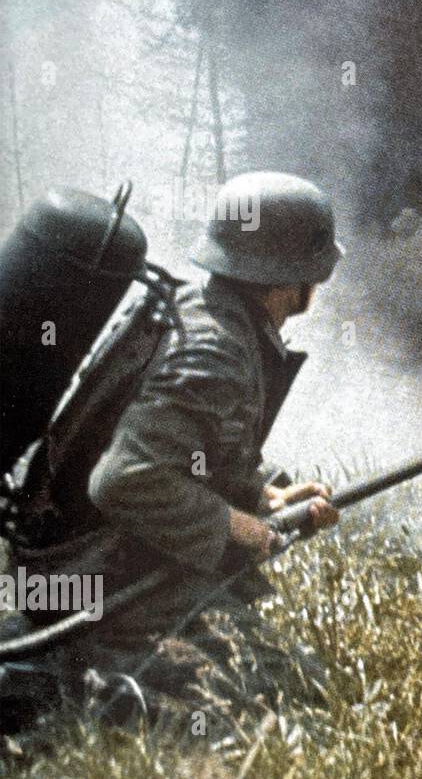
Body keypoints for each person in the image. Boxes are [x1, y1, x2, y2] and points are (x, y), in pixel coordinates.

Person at [3, 172, 343, 732]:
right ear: (291, 275)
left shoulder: (203, 307)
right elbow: (123, 479)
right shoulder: (216, 350)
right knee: (280, 701)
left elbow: (194, 448)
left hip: (64, 558)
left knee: (282, 680)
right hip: (86, 575)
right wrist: (238, 525)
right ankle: (55, 683)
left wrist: (265, 493)